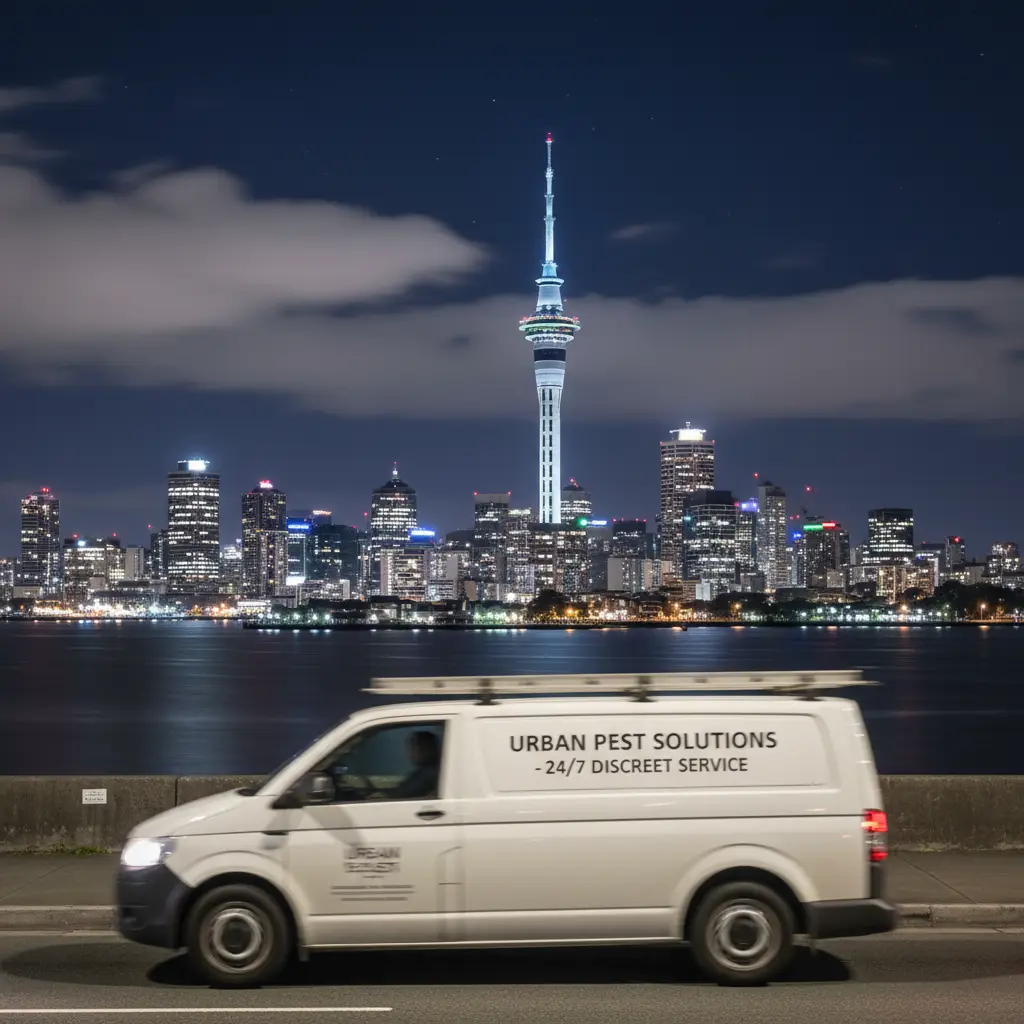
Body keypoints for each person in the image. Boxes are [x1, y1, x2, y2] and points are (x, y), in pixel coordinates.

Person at [387, 730, 441, 799]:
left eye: (413, 748)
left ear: (424, 748)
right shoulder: (427, 770)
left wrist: (383, 795)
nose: (410, 754)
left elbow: (402, 793)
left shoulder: (429, 773)